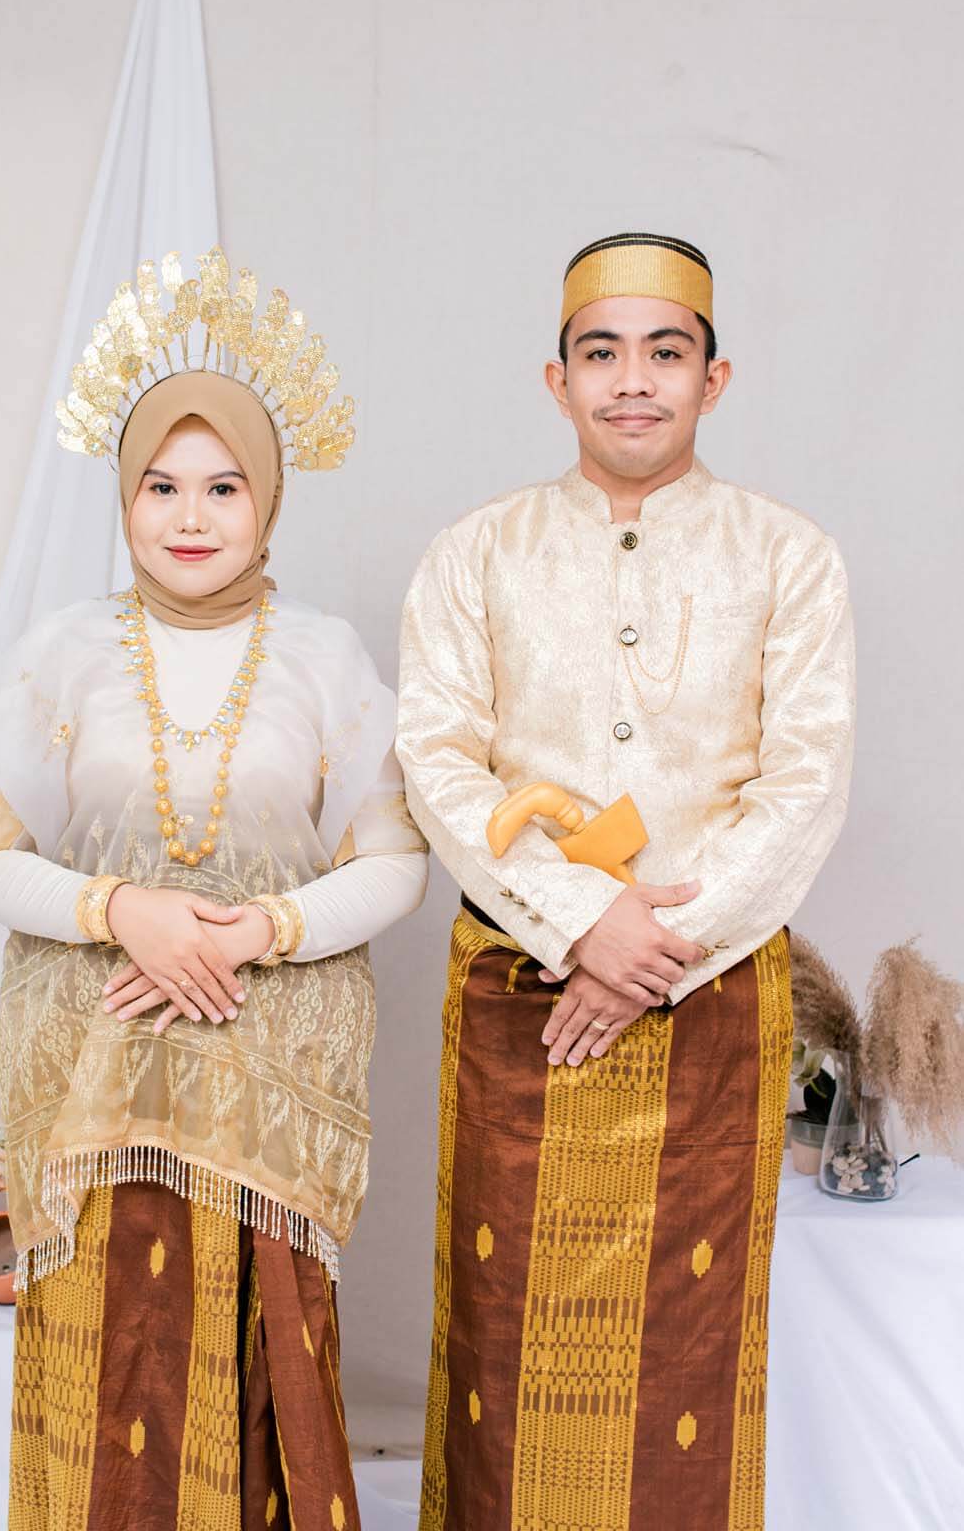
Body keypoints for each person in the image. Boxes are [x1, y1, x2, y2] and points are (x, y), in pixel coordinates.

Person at [0, 248, 428, 1531]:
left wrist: (265, 927)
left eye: (223, 485)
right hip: (99, 1067)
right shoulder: (62, 652)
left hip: (269, 1070)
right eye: (161, 486)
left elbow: (395, 861)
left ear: (268, 497)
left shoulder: (323, 658)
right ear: (125, 497)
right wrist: (123, 913)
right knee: (115, 1355)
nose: (190, 515)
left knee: (259, 1359)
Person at [397, 231, 855, 1530]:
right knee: (506, 1337)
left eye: (665, 352)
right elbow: (437, 760)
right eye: (601, 354)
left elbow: (803, 780)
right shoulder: (474, 553)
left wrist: (655, 948)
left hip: (709, 991)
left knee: (685, 1352)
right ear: (557, 382)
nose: (633, 380)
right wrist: (577, 917)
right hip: (522, 988)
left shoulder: (787, 556)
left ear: (715, 378)